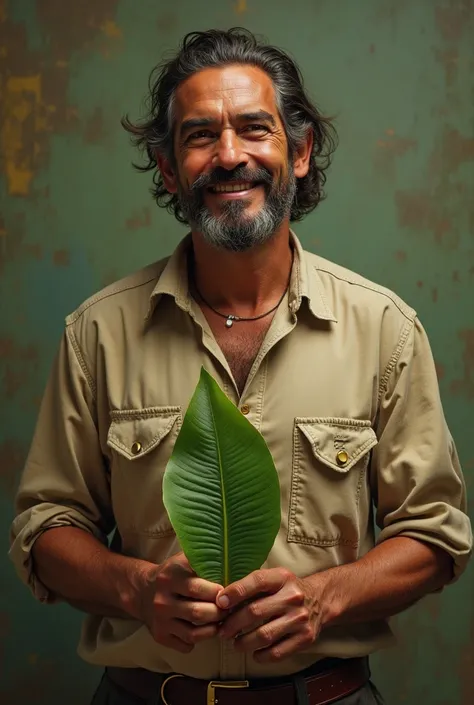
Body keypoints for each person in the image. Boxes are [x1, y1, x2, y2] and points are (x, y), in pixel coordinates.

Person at [9, 27, 472, 705]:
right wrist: (135, 588)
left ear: (301, 151)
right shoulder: (98, 332)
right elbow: (44, 526)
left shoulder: (385, 330)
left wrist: (323, 597)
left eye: (255, 128)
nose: (230, 155)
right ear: (168, 168)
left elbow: (436, 533)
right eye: (200, 136)